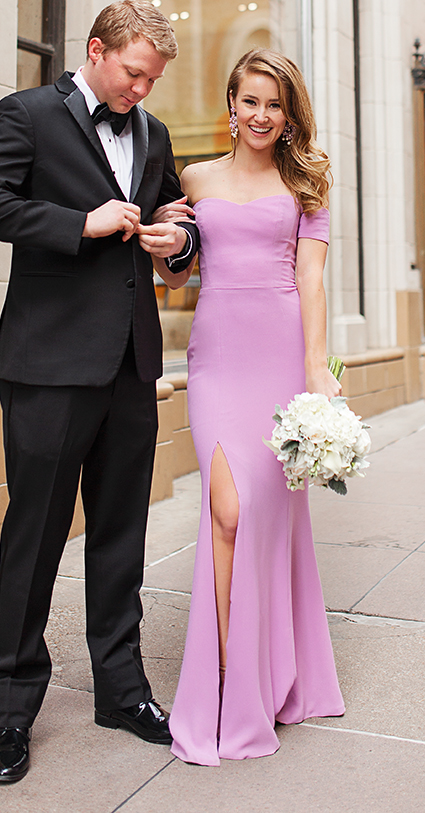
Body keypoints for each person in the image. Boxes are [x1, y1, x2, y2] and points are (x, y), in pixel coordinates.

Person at [0, 0, 199, 785]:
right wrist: (79, 223)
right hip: (48, 365)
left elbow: (169, 212)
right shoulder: (26, 113)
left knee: (122, 534)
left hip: (130, 366)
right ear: (96, 51)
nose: (142, 90)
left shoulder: (152, 132)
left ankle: (121, 692)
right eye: (134, 73)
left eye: (154, 79)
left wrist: (178, 240)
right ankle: (13, 708)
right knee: (34, 537)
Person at [151, 48, 345, 766]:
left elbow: (312, 281)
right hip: (215, 362)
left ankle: (261, 679)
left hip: (278, 359)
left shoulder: (307, 185)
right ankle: (232, 678)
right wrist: (166, 242)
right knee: (225, 511)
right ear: (229, 105)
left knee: (264, 519)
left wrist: (315, 372)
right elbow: (174, 273)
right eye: (249, 100)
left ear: (288, 113)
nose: (261, 114)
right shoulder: (194, 178)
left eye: (274, 102)